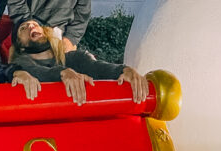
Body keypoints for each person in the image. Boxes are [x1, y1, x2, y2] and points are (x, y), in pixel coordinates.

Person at [11, 17, 149, 105]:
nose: (31, 26)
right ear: (20, 45)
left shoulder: (74, 58)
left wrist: (125, 70)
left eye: (35, 24)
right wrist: (63, 73)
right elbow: (34, 71)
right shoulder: (20, 65)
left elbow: (97, 67)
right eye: (23, 28)